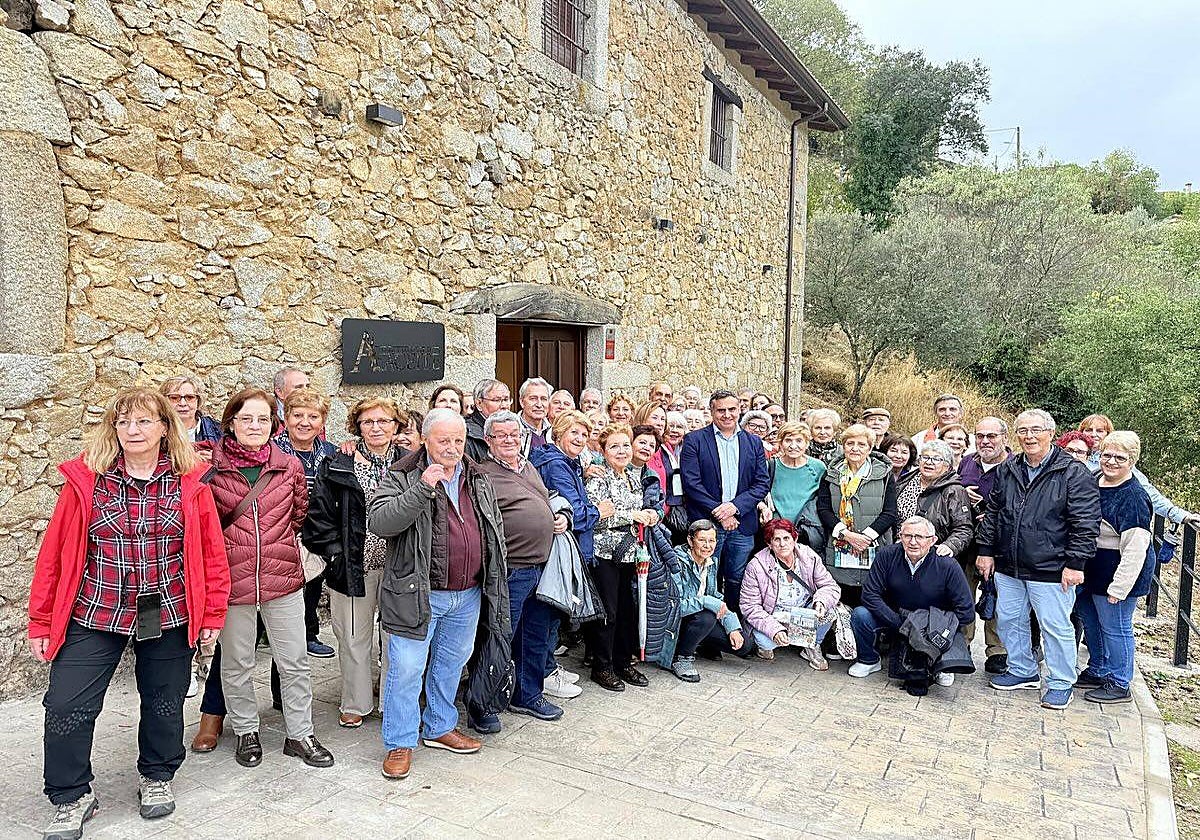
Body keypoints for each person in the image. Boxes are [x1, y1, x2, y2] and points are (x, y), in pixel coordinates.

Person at [29, 387, 230, 837]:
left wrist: (212, 617)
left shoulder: (190, 481)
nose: (132, 430)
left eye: (143, 421)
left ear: (164, 427)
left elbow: (211, 555)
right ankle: (71, 794)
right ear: (113, 429)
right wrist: (41, 620)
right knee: (66, 703)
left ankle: (157, 775)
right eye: (123, 422)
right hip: (95, 610)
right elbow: (54, 556)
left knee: (164, 700)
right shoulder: (88, 479)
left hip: (166, 611)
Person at [369, 408, 510, 780]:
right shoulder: (402, 475)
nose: (452, 448)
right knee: (406, 670)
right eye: (443, 440)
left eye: (458, 440)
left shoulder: (477, 475)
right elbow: (381, 522)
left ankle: (439, 726)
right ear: (425, 441)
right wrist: (422, 488)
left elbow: (491, 527)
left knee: (450, 665)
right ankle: (399, 741)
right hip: (418, 593)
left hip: (467, 593)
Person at [204, 388, 333, 769]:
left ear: (272, 424)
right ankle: (246, 729)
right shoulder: (213, 468)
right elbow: (206, 527)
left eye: (263, 419)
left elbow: (297, 515)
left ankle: (300, 733)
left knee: (293, 660)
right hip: (234, 582)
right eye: (247, 419)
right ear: (231, 423)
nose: (255, 426)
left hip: (282, 578)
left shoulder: (288, 465)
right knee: (238, 662)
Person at [976, 409, 1101, 710]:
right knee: (1009, 620)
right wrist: (985, 550)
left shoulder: (1073, 472)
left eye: (1036, 430)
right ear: (1015, 436)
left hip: (1052, 567)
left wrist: (1076, 564)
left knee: (1055, 626)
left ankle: (1060, 682)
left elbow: (1086, 523)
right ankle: (1022, 671)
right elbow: (993, 512)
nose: (1029, 436)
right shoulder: (1009, 469)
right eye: (1023, 430)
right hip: (1009, 563)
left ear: (1050, 433)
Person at [301, 397, 402, 729]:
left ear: (396, 425)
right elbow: (319, 515)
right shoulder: (338, 463)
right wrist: (335, 553)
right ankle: (356, 702)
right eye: (368, 422)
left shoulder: (409, 463)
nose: (376, 428)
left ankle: (392, 699)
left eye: (383, 421)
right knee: (353, 637)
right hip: (352, 565)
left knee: (395, 636)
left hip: (398, 567)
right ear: (356, 426)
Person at [473, 410, 572, 727]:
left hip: (543, 567)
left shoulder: (528, 467)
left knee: (536, 635)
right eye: (500, 435)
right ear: (488, 441)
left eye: (513, 434)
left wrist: (562, 516)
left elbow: (549, 498)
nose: (508, 440)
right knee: (499, 637)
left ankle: (527, 696)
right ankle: (483, 703)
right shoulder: (482, 473)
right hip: (510, 571)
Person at [849, 516, 975, 696]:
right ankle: (869, 659)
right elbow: (869, 594)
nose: (913, 542)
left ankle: (942, 665)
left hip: (932, 627)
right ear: (900, 536)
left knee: (951, 627)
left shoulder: (948, 565)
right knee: (861, 615)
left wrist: (932, 626)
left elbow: (966, 611)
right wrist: (902, 624)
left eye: (919, 537)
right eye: (907, 536)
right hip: (897, 619)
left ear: (932, 540)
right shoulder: (886, 555)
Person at [1074, 431, 1155, 704]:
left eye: (1119, 457)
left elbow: (1135, 548)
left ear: (1132, 460)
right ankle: (1098, 669)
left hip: (1118, 568)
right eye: (1106, 455)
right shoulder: (1094, 481)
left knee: (1116, 626)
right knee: (1092, 622)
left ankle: (1120, 681)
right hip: (1091, 565)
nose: (1111, 461)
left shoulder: (1133, 497)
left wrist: (1120, 587)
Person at [531, 410, 608, 695]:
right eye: (573, 432)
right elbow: (576, 511)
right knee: (551, 612)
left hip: (568, 548)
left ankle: (548, 667)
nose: (580, 438)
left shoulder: (568, 463)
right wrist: (601, 510)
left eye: (584, 434)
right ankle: (544, 674)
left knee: (556, 612)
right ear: (559, 433)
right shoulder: (556, 464)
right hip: (560, 550)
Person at [679, 390, 771, 611]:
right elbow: (691, 483)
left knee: (736, 579)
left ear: (740, 409)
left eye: (732, 409)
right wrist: (720, 512)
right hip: (707, 524)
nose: (727, 415)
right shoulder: (694, 440)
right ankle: (707, 635)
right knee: (704, 579)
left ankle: (733, 628)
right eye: (721, 410)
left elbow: (761, 483)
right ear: (712, 411)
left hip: (742, 524)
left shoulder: (753, 443)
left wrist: (734, 508)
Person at [585, 423, 659, 691]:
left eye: (625, 445)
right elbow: (595, 519)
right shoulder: (598, 477)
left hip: (630, 554)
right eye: (614, 446)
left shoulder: (631, 476)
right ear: (603, 450)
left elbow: (642, 509)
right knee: (608, 612)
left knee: (628, 611)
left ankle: (622, 661)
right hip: (605, 555)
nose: (621, 451)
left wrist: (650, 515)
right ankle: (602, 667)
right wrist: (632, 516)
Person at [273, 388, 338, 659]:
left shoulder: (332, 453)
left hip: (317, 533)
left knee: (311, 587)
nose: (305, 422)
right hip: (282, 533)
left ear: (322, 421)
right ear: (285, 418)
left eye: (313, 416)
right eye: (297, 415)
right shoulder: (273, 451)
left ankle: (308, 635)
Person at [740, 519, 840, 669]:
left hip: (803, 612)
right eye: (776, 540)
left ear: (795, 539)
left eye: (787, 538)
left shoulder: (808, 556)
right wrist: (774, 629)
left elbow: (830, 586)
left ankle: (812, 645)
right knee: (766, 641)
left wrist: (821, 602)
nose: (782, 544)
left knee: (829, 611)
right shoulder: (756, 565)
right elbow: (750, 606)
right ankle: (765, 646)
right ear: (769, 544)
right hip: (774, 615)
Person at [957, 417, 1013, 675]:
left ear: (1005, 437)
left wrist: (990, 509)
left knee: (998, 598)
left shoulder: (1016, 466)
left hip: (1001, 545)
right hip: (967, 543)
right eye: (980, 436)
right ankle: (963, 644)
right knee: (963, 595)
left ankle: (997, 650)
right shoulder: (968, 461)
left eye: (992, 436)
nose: (985, 441)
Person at [816, 425, 898, 599]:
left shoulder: (884, 474)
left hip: (875, 545)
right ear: (843, 446)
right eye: (850, 443)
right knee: (843, 597)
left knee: (873, 596)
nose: (855, 448)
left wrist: (865, 538)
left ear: (869, 448)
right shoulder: (831, 473)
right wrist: (847, 535)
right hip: (840, 544)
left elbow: (890, 512)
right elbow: (824, 509)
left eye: (861, 444)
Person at [1079, 413, 1200, 528]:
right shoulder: (1073, 456)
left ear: (1108, 434)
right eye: (1088, 430)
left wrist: (1176, 513)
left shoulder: (1118, 462)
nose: (1093, 434)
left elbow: (1147, 491)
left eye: (1100, 430)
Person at [667, 520, 751, 682]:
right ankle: (681, 658)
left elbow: (717, 597)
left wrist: (732, 626)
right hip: (675, 624)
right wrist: (706, 601)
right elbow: (674, 607)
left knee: (745, 645)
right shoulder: (676, 561)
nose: (707, 545)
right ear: (690, 541)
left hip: (698, 622)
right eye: (702, 540)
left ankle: (700, 644)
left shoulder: (712, 562)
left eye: (711, 541)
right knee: (706, 616)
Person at [758, 422, 826, 541]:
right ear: (780, 443)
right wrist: (763, 508)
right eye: (788, 440)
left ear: (807, 443)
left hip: (807, 531)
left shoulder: (818, 467)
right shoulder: (771, 466)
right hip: (777, 531)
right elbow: (756, 492)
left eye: (799, 441)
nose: (793, 446)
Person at [907, 441, 974, 561]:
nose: (929, 462)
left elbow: (964, 528)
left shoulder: (954, 491)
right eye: (925, 457)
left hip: (933, 557)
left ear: (947, 466)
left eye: (937, 459)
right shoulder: (905, 482)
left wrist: (949, 546)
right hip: (901, 552)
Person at [160, 375, 221, 444]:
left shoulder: (218, 431)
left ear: (198, 400)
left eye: (190, 397)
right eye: (174, 398)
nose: (182, 403)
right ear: (163, 401)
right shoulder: (156, 430)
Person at [465, 378, 512, 462]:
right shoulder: (468, 435)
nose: (504, 405)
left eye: (506, 399)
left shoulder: (513, 429)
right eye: (496, 400)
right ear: (479, 403)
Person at [518, 377, 553, 452]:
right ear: (522, 402)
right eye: (533, 398)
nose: (539, 405)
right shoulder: (512, 429)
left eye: (544, 399)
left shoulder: (553, 431)